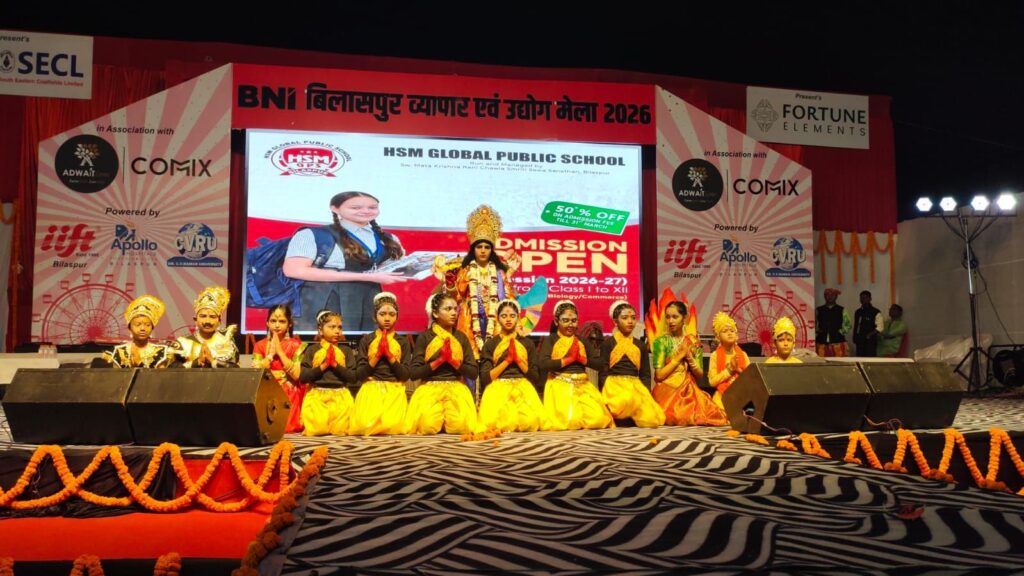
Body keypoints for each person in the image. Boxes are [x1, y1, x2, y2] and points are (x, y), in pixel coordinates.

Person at [283, 191, 407, 332]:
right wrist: (367, 277)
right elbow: (293, 270)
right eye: (356, 207)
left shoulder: (387, 238)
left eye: (372, 207)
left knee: (368, 341)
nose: (365, 211)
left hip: (370, 295)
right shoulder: (312, 234)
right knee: (328, 341)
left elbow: (388, 267)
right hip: (326, 296)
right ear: (335, 208)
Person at [433, 204, 520, 359]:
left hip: (495, 320)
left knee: (495, 357)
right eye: (479, 246)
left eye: (487, 247)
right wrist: (450, 284)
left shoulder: (500, 272)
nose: (483, 250)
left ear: (491, 249)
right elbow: (456, 297)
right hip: (470, 319)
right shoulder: (465, 269)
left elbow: (509, 299)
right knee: (469, 359)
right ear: (473, 249)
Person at [405, 293, 480, 435]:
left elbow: (473, 372)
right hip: (429, 388)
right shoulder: (425, 337)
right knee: (427, 427)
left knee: (460, 427)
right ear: (435, 313)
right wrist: (439, 361)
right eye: (448, 309)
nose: (454, 313)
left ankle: (446, 420)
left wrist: (453, 361)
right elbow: (414, 373)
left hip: (456, 388)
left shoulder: (461, 337)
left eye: (455, 309)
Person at [648, 295, 727, 426]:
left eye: (675, 317)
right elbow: (659, 376)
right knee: (674, 415)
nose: (670, 321)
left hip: (689, 389)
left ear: (684, 318)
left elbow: (700, 375)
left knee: (707, 414)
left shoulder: (693, 342)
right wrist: (679, 357)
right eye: (668, 317)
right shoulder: (661, 342)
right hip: (666, 390)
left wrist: (689, 358)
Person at [539, 300, 613, 431]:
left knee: (598, 420)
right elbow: (543, 364)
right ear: (556, 321)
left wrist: (582, 359)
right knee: (570, 421)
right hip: (559, 384)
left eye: (574, 320)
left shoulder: (582, 341)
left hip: (584, 385)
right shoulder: (550, 339)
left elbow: (600, 364)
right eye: (565, 320)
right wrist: (569, 359)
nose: (570, 324)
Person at [478, 299, 545, 432]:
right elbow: (485, 378)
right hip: (497, 388)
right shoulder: (490, 344)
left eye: (512, 316)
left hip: (523, 387)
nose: (508, 319)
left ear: (518, 318)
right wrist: (507, 361)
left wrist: (519, 361)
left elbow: (535, 377)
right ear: (497, 319)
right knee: (496, 423)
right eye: (504, 316)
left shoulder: (527, 343)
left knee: (529, 423)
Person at [349, 292, 411, 436]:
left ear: (397, 317)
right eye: (382, 314)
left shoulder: (402, 342)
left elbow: (405, 375)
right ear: (374, 317)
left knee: (392, 426)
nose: (387, 318)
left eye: (392, 314)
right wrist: (377, 355)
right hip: (371, 388)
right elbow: (360, 375)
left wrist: (389, 355)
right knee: (365, 425)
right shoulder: (367, 340)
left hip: (394, 389)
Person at [600, 300, 664, 428]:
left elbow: (645, 374)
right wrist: (603, 393)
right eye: (625, 318)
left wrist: (645, 394)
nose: (630, 321)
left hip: (635, 385)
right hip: (614, 385)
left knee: (651, 418)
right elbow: (603, 372)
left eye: (633, 318)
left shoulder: (640, 345)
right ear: (615, 321)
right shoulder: (608, 343)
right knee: (625, 400)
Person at [299, 309, 357, 436]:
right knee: (317, 430)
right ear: (320, 330)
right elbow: (303, 377)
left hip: (341, 397)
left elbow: (353, 378)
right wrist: (324, 366)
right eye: (332, 327)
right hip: (317, 397)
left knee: (340, 431)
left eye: (339, 327)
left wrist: (335, 365)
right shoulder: (312, 350)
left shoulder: (346, 350)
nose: (337, 331)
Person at [251, 304, 306, 433]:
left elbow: (297, 375)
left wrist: (280, 352)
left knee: (286, 427)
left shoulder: (297, 345)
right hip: (266, 390)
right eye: (273, 321)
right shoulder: (260, 345)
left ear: (289, 324)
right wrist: (270, 355)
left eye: (282, 321)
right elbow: (255, 374)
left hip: (288, 391)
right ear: (267, 323)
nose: (277, 325)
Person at [101, 294, 175, 368]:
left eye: (147, 325)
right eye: (137, 324)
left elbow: (161, 375)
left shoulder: (161, 351)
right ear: (129, 328)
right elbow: (116, 375)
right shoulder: (118, 351)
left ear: (152, 328)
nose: (143, 328)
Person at [174, 286, 239, 368]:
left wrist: (213, 361)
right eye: (203, 316)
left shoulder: (226, 342)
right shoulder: (183, 343)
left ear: (219, 320)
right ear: (195, 320)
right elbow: (171, 370)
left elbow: (236, 369)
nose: (207, 321)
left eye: (212, 317)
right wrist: (195, 363)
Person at [708, 311, 750, 410]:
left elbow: (752, 379)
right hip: (722, 396)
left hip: (741, 396)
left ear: (736, 335)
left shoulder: (743, 355)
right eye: (725, 331)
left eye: (732, 330)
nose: (729, 333)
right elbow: (712, 382)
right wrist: (729, 370)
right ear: (718, 337)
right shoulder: (715, 356)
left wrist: (738, 370)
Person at [815, 287, 851, 357]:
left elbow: (848, 324)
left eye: (832, 295)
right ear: (824, 296)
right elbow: (813, 323)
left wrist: (841, 331)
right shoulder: (819, 310)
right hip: (821, 342)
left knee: (839, 362)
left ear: (836, 297)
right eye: (827, 295)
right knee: (822, 362)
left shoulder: (842, 309)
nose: (830, 297)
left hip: (838, 342)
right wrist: (817, 330)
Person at [853, 290, 883, 357]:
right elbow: (856, 325)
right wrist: (855, 337)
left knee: (869, 360)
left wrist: (868, 335)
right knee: (859, 359)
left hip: (870, 342)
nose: (863, 299)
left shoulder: (875, 312)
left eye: (865, 297)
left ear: (870, 299)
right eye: (861, 298)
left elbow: (880, 327)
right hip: (859, 341)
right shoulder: (858, 311)